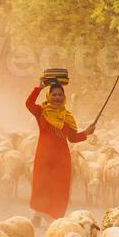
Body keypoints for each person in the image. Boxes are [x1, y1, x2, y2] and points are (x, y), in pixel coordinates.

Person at [26, 79, 96, 224]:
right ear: (49, 96)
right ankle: (38, 214)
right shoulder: (42, 112)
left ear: (63, 98)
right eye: (54, 95)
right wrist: (39, 88)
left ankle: (55, 217)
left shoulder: (67, 116)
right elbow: (28, 104)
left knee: (59, 187)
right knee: (42, 184)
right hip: (43, 155)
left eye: (59, 95)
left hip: (61, 157)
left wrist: (86, 133)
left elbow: (72, 138)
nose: (57, 98)